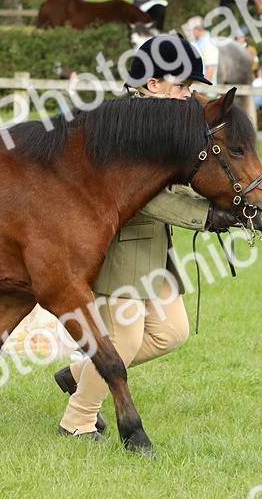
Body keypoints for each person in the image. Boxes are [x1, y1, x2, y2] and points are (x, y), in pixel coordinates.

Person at [54, 34, 239, 439]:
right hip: (122, 252)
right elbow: (150, 199)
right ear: (153, 84)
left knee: (171, 333)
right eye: (183, 87)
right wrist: (209, 216)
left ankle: (79, 374)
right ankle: (78, 421)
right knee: (122, 341)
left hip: (156, 251)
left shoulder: (166, 122)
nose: (189, 96)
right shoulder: (126, 127)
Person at [187, 16, 220, 84]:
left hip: (204, 91)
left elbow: (210, 70)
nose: (188, 33)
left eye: (190, 30)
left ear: (198, 29)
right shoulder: (194, 43)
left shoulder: (209, 44)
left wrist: (201, 88)